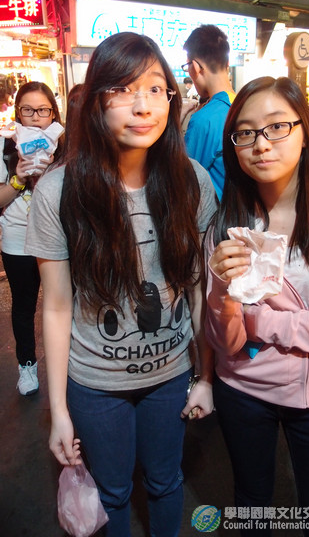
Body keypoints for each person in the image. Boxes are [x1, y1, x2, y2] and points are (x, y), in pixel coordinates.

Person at [25, 32, 216, 537]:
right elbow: (56, 306)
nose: (143, 106)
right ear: (95, 101)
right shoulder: (59, 191)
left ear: (171, 98)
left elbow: (199, 288)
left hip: (171, 376)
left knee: (166, 482)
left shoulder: (192, 181)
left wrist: (205, 375)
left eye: (155, 88)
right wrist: (59, 410)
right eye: (123, 90)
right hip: (96, 385)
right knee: (112, 492)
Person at [204, 76, 309, 535]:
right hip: (244, 392)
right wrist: (221, 291)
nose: (261, 144)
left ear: (304, 131)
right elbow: (227, 343)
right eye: (245, 132)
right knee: (253, 504)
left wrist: (258, 319)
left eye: (277, 127)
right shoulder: (225, 225)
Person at [0, 81, 63, 396]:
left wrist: (51, 172)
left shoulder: (64, 146)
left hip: (57, 239)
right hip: (18, 239)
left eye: (42, 110)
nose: (36, 117)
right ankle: (27, 365)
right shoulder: (5, 147)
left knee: (62, 303)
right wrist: (19, 178)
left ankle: (67, 366)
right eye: (28, 110)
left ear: (53, 113)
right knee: (24, 306)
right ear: (18, 113)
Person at [182, 24, 235, 200]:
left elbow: (181, 178)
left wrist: (177, 119)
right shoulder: (242, 104)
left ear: (195, 67)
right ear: (227, 64)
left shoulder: (205, 119)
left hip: (216, 214)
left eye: (187, 66)